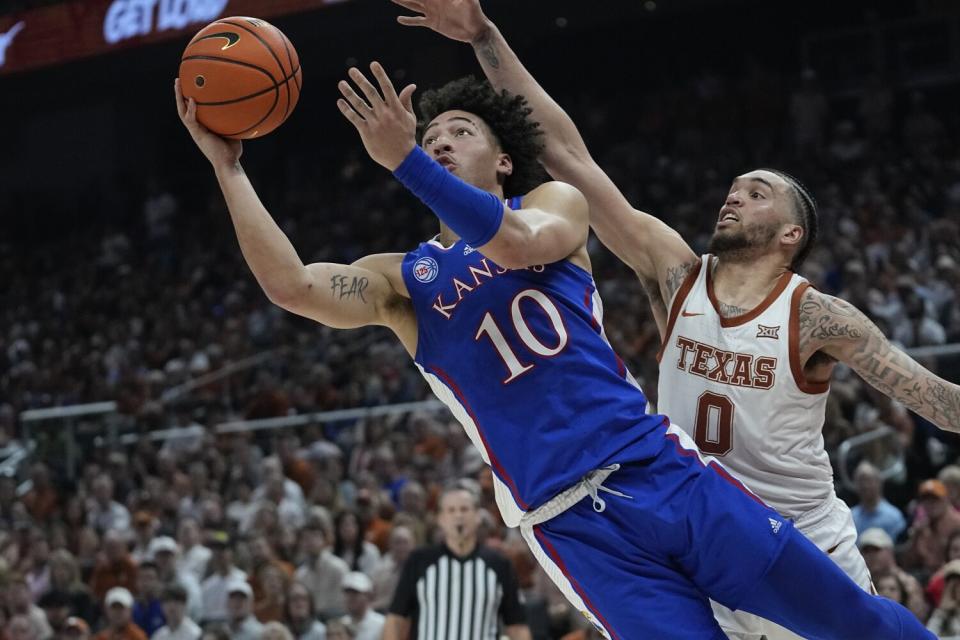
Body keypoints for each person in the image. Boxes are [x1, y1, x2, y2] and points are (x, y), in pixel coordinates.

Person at [175, 60, 933, 639]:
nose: (438, 144)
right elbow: (290, 285)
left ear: (502, 161)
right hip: (570, 521)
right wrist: (228, 167)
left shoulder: (549, 208)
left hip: (658, 469)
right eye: (429, 140)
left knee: (846, 618)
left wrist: (404, 158)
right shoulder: (402, 282)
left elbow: (511, 242)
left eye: (458, 135)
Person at [391, 0, 960, 636]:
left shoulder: (816, 316)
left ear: (791, 233)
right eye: (734, 187)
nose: (734, 195)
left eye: (757, 191)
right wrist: (484, 37)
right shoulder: (676, 276)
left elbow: (936, 399)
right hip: (694, 538)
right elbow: (566, 156)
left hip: (799, 541)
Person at [385, 482, 529, 640]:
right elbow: (396, 619)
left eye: (464, 509)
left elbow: (517, 626)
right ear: (440, 519)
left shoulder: (500, 565)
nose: (458, 515)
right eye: (451, 510)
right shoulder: (419, 561)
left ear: (478, 517)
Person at [857, 528, 928, 621]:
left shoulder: (907, 583)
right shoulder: (859, 581)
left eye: (876, 550)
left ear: (889, 551)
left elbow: (918, 617)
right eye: (866, 551)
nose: (871, 555)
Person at [902, 479, 960, 575]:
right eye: (926, 500)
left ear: (945, 500)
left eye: (935, 499)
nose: (930, 504)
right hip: (928, 577)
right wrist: (915, 537)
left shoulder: (957, 523)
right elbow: (907, 563)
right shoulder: (921, 527)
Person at [852, 461, 907, 540]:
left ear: (879, 482)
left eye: (868, 480)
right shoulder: (851, 518)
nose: (865, 485)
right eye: (861, 481)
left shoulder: (893, 516)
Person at [337, 572, 384, 640]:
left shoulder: (381, 624)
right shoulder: (341, 624)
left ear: (368, 595)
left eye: (355, 593)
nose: (350, 597)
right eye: (347, 593)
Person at [927, 559, 960, 638]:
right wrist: (942, 611)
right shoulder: (942, 613)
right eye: (954, 585)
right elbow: (928, 636)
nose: (957, 588)